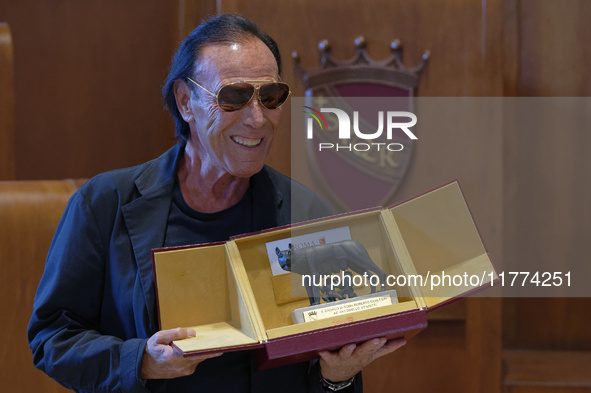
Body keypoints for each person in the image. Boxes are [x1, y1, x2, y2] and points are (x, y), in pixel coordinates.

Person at [28, 14, 405, 392]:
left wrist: (337, 376)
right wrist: (142, 361)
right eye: (233, 97)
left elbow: (327, 363)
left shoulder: (309, 215)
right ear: (185, 101)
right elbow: (52, 338)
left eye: (270, 97)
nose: (257, 119)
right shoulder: (103, 204)